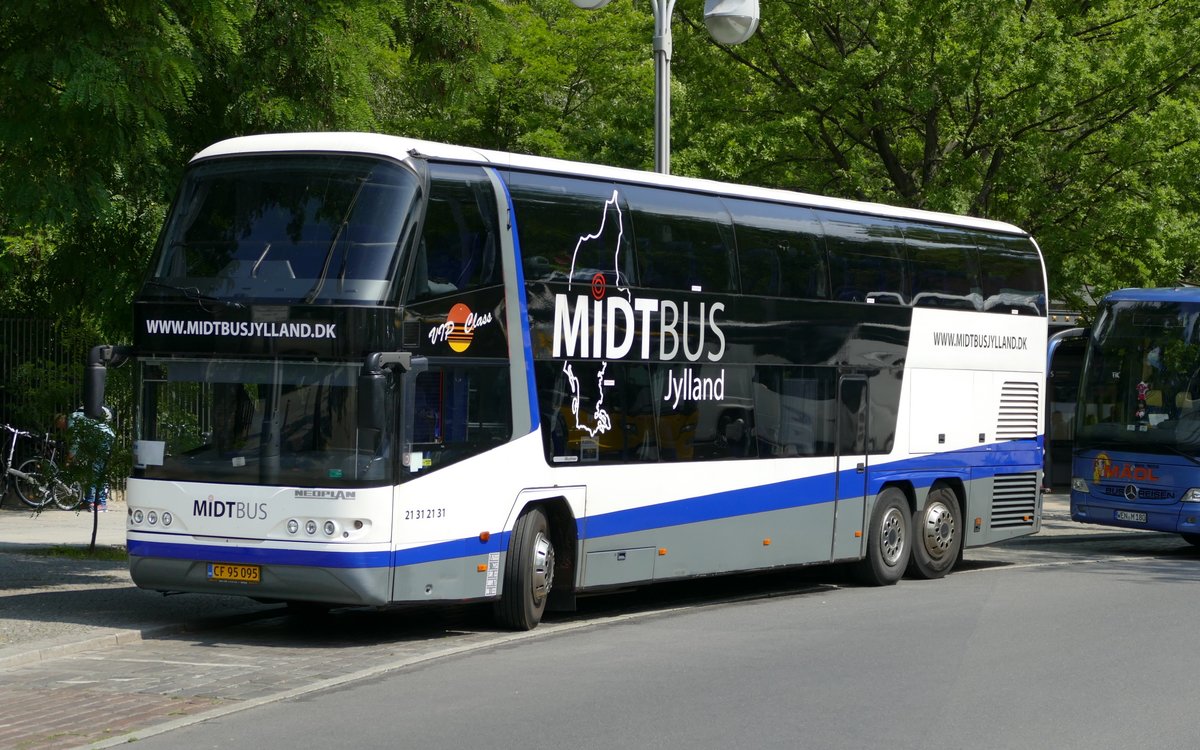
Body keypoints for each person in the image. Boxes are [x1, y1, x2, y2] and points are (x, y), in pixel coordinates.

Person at [69, 406, 115, 512]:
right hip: (101, 439)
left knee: (96, 472)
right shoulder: (78, 416)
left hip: (102, 440)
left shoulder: (73, 419)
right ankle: (89, 501)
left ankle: (101, 504)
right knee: (92, 472)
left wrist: (71, 457)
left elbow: (76, 440)